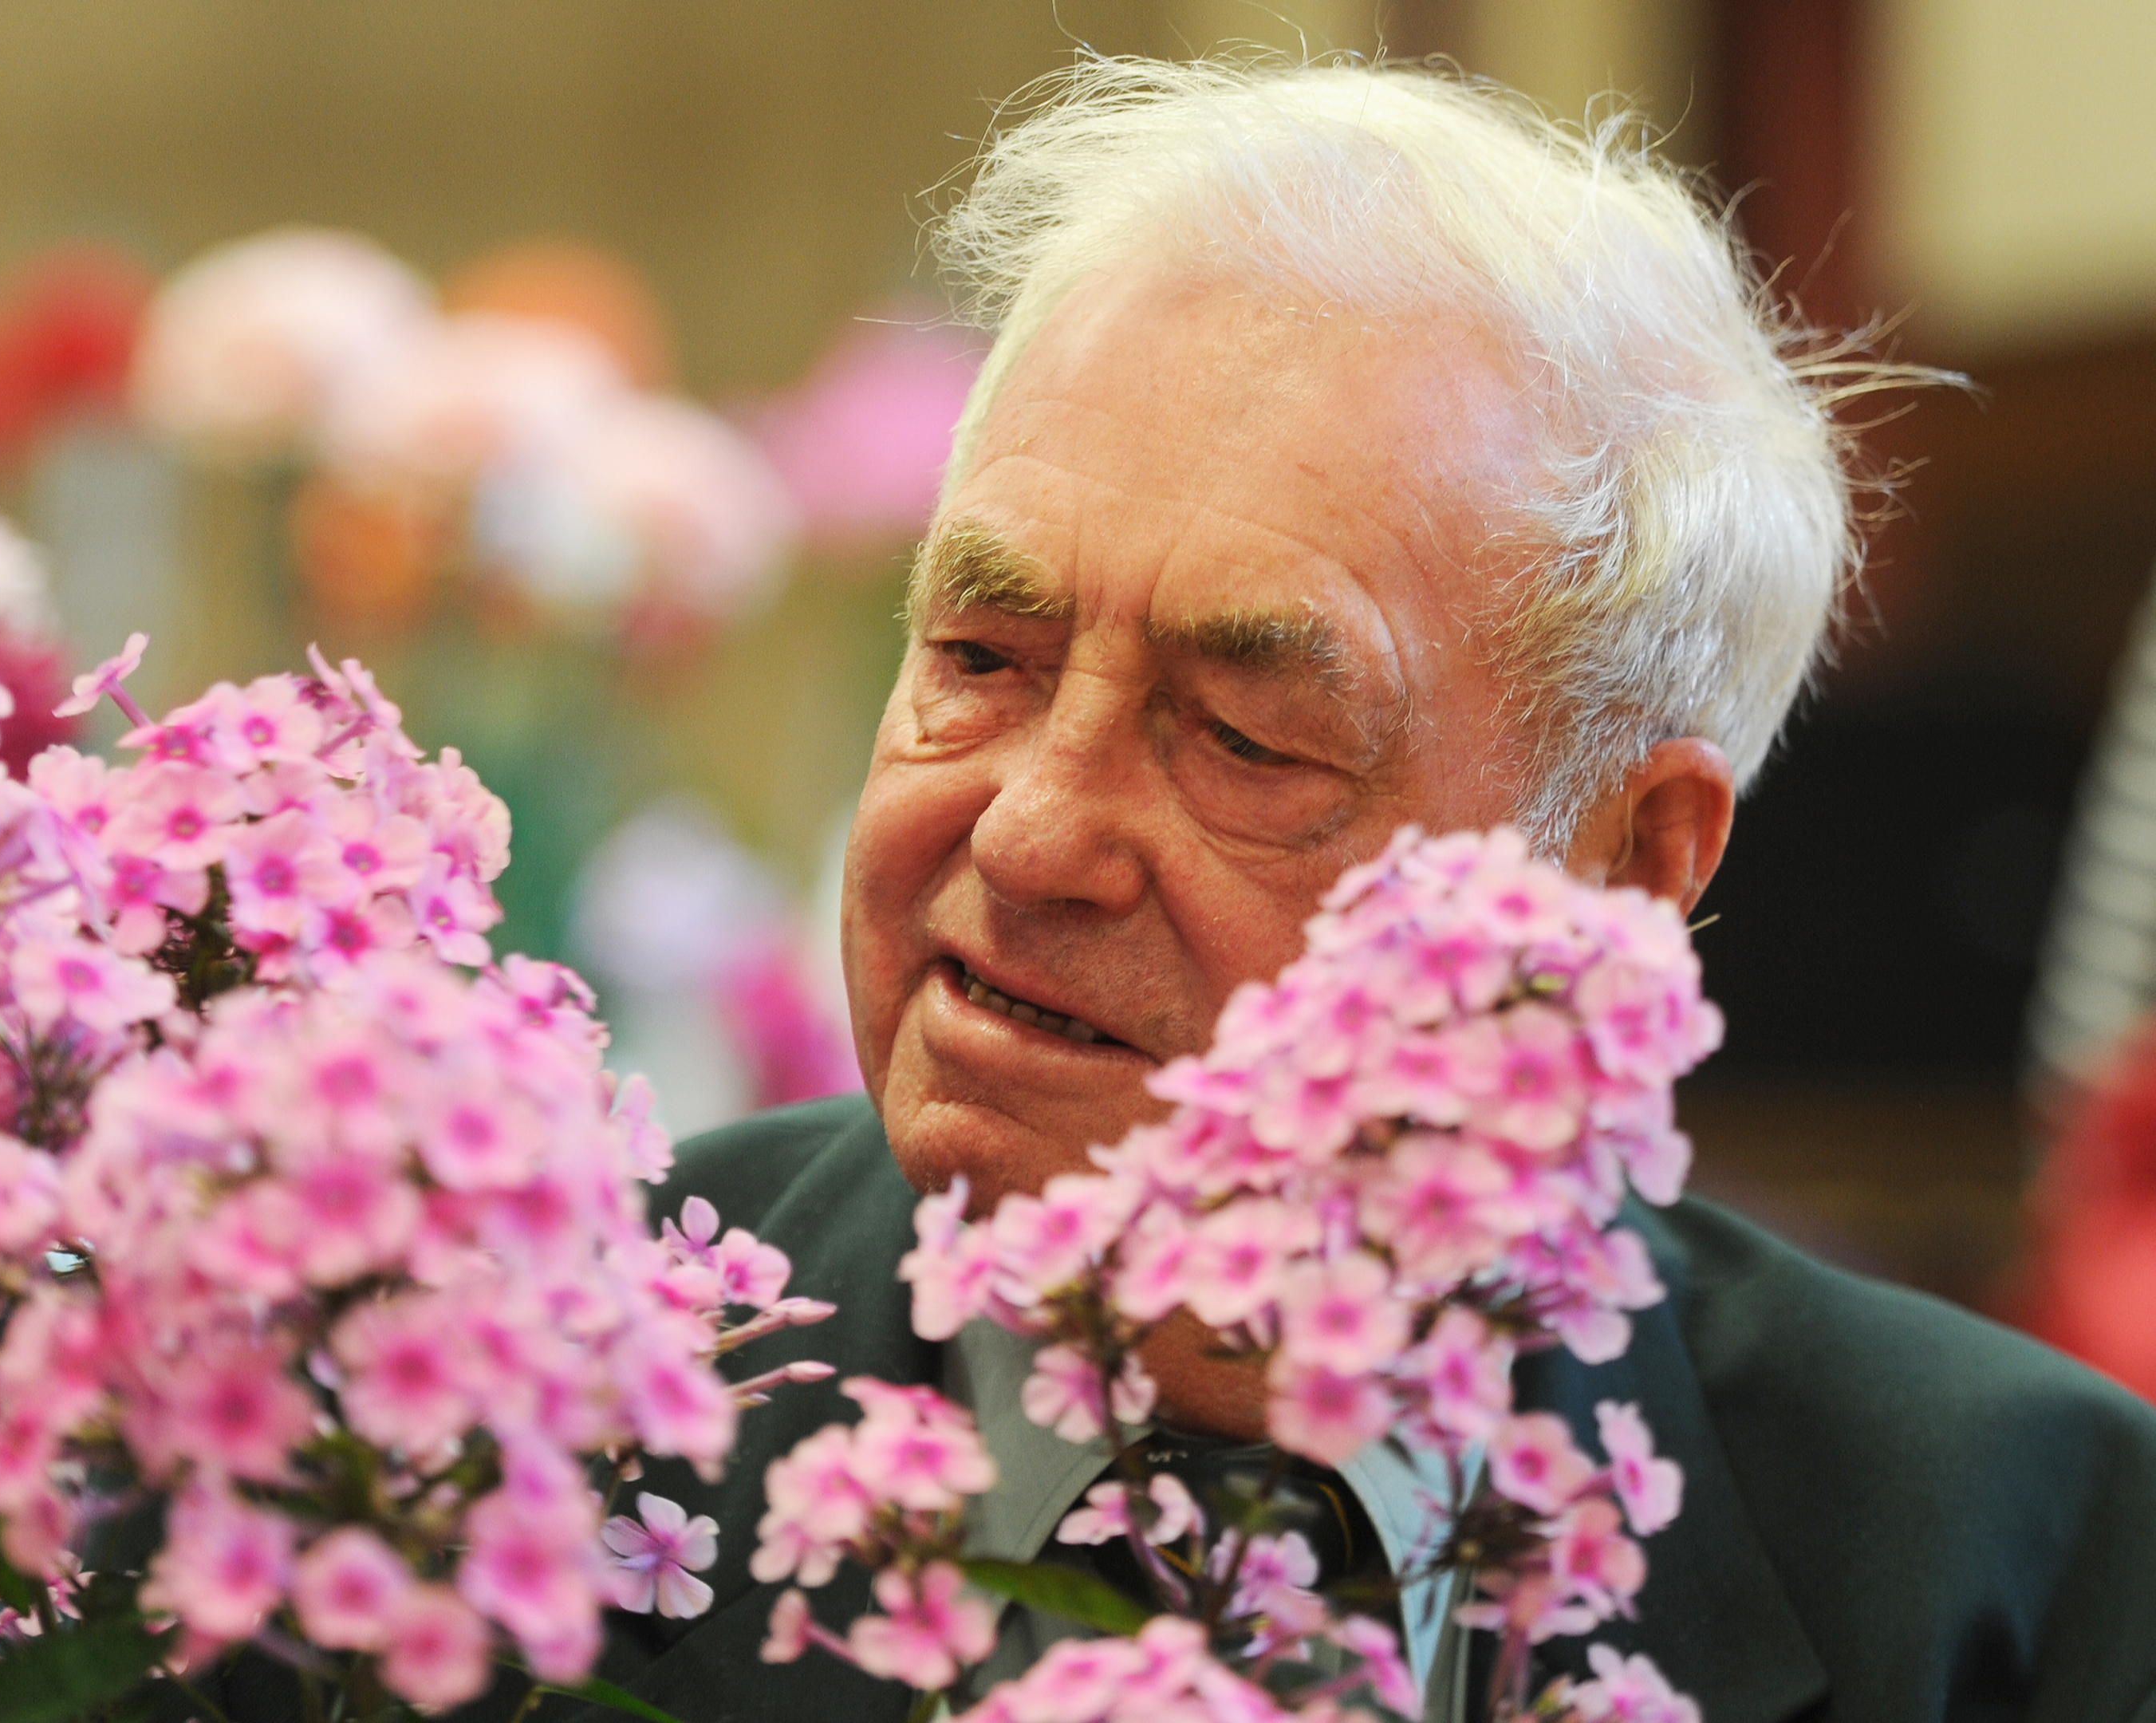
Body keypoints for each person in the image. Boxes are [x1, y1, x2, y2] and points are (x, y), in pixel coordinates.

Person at [479, 57, 2156, 1723]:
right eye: (979, 656)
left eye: (1243, 739)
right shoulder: (485, 1404)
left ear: (1620, 866)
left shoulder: (2025, 1573)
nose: (1028, 835)